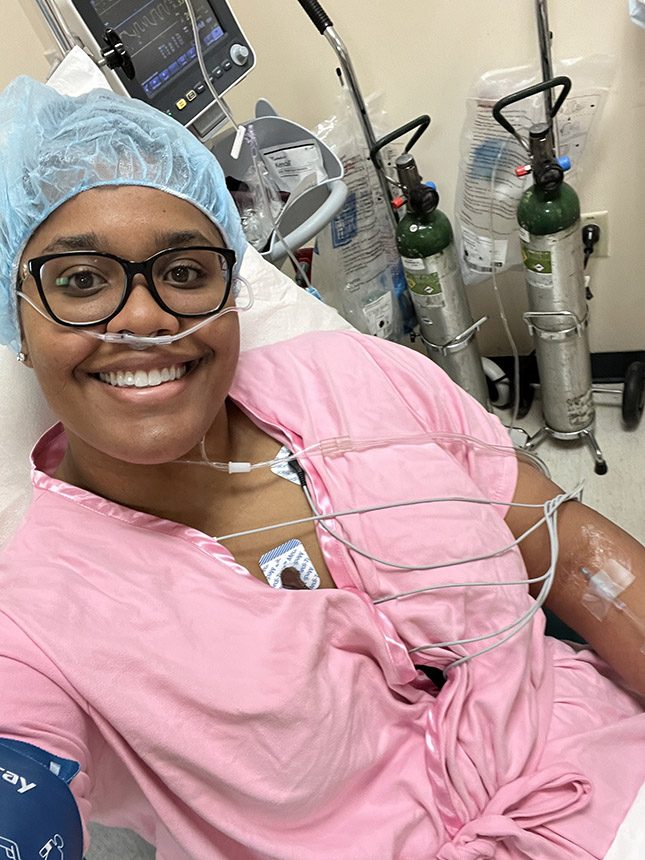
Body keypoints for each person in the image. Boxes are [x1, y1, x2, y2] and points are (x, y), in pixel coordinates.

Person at [0, 75, 643, 860]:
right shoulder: (32, 619)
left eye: (185, 271)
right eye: (80, 282)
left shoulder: (357, 376)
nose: (145, 316)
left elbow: (575, 555)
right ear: (18, 324)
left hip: (602, 769)